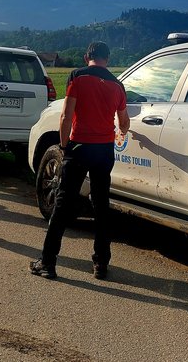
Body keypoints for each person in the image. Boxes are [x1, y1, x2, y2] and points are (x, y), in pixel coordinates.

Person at [30, 42, 129, 280]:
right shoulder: (118, 85)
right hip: (104, 150)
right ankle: (100, 264)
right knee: (102, 206)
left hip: (79, 146)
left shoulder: (78, 76)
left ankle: (48, 262)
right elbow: (123, 122)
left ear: (87, 57)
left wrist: (64, 146)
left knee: (63, 205)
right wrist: (119, 132)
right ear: (108, 58)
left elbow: (66, 115)